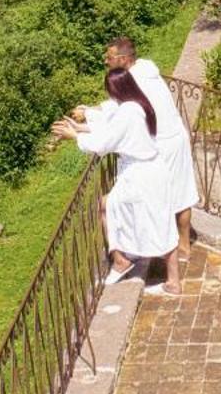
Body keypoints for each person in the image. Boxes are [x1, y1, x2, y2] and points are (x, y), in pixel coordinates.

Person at [52, 68, 180, 294]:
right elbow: (112, 130)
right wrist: (79, 128)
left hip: (141, 176)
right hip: (152, 172)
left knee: (105, 206)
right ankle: (172, 281)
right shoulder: (138, 106)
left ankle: (120, 259)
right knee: (162, 222)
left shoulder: (129, 112)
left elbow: (105, 142)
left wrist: (75, 136)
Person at [104, 36, 195, 288]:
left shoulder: (133, 81)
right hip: (177, 136)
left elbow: (116, 110)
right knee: (182, 192)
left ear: (123, 60)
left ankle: (164, 253)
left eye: (109, 58)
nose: (106, 61)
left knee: (161, 201)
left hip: (162, 143)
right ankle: (185, 245)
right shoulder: (147, 68)